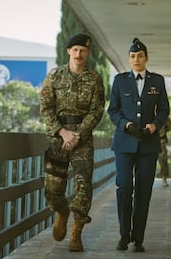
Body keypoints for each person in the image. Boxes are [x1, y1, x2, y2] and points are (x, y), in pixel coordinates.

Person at [39, 33, 105, 252]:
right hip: (58, 138)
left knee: (83, 187)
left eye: (83, 50)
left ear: (87, 53)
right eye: (75, 50)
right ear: (68, 51)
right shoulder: (54, 76)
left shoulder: (94, 79)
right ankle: (62, 212)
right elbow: (45, 108)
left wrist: (78, 134)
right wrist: (63, 132)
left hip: (82, 140)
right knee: (52, 188)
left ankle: (76, 233)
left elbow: (97, 111)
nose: (78, 54)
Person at [107, 37, 170, 252]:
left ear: (146, 58)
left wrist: (154, 125)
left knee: (144, 191)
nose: (136, 59)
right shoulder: (120, 80)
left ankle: (138, 238)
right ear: (129, 59)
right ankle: (124, 235)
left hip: (148, 144)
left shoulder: (157, 80)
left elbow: (164, 110)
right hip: (124, 143)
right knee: (124, 187)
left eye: (140, 56)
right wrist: (126, 125)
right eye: (133, 56)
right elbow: (112, 110)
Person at [158, 117, 171, 187]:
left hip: (161, 141)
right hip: (148, 140)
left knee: (163, 160)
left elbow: (169, 127)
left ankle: (164, 179)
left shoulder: (163, 115)